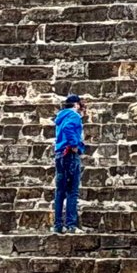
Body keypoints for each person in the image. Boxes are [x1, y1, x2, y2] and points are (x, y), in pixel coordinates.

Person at [52, 94, 86, 233]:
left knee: (60, 191)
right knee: (72, 191)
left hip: (60, 154)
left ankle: (58, 225)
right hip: (69, 154)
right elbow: (68, 128)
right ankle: (71, 225)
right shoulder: (74, 115)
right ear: (76, 105)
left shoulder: (61, 116)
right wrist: (74, 145)